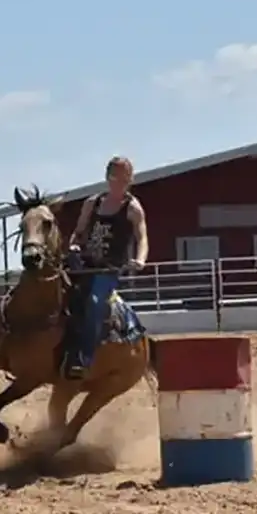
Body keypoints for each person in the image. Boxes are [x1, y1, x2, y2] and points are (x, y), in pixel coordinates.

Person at [62, 155, 149, 379]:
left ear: (130, 179)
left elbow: (142, 238)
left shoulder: (133, 208)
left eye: (125, 177)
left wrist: (140, 259)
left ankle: (84, 359)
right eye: (115, 176)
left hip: (108, 269)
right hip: (84, 264)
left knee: (94, 303)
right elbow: (79, 232)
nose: (119, 182)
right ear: (107, 177)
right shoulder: (92, 203)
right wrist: (73, 245)